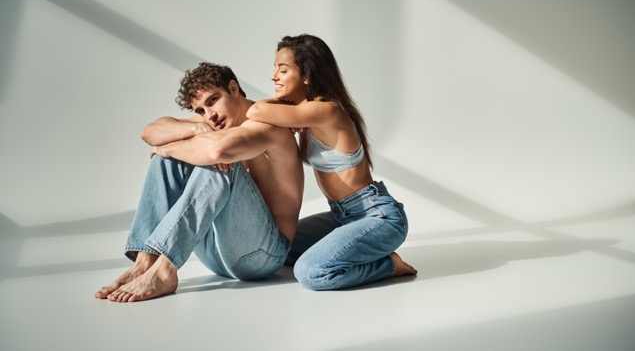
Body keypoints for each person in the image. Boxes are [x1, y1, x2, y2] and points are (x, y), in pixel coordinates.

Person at [95, 62, 304, 302]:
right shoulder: (210, 122)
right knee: (167, 161)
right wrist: (195, 128)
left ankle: (165, 270)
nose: (210, 115)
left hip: (263, 256)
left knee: (221, 161)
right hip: (216, 257)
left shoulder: (265, 122)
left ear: (234, 88)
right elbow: (149, 132)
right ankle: (146, 260)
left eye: (213, 100)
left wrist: (168, 147)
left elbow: (217, 153)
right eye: (201, 110)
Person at [246, 34, 416, 291]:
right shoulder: (305, 113)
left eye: (282, 70)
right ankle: (360, 254)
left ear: (306, 75)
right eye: (274, 70)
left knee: (311, 272)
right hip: (341, 216)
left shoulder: (326, 110)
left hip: (377, 216)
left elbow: (255, 111)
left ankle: (390, 266)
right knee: (280, 248)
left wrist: (283, 105)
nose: (274, 77)